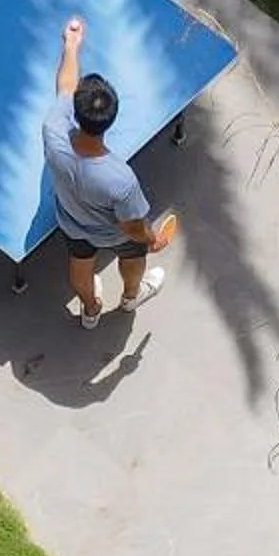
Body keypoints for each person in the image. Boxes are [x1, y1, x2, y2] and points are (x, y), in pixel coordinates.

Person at [43, 17, 177, 329]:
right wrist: (152, 240)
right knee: (133, 257)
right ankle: (131, 297)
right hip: (113, 233)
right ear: (111, 120)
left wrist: (71, 46)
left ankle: (90, 311)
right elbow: (132, 227)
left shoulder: (53, 128)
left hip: (72, 222)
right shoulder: (121, 179)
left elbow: (65, 86)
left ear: (76, 112)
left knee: (80, 264)